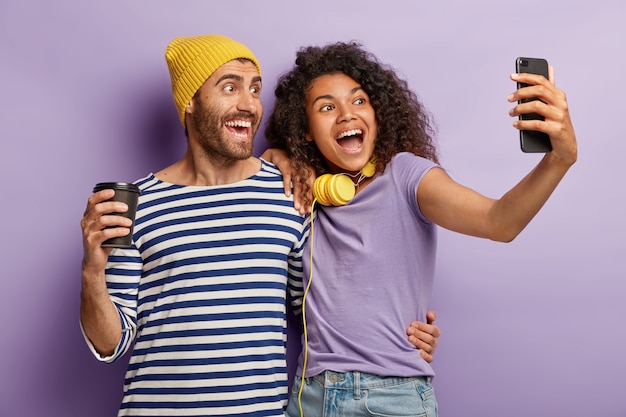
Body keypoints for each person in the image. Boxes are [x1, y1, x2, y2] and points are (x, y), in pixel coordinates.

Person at [79, 34, 441, 417]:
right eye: (230, 87)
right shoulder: (137, 203)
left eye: (255, 89)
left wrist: (404, 335)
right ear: (189, 102)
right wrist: (91, 270)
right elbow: (109, 345)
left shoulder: (290, 191)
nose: (249, 104)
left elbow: (321, 314)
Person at [264, 41, 577, 416]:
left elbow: (499, 222)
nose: (347, 114)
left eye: (359, 101)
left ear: (378, 112)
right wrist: (277, 157)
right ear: (306, 131)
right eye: (327, 107)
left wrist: (559, 159)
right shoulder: (305, 190)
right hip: (309, 395)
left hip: (389, 397)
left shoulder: (407, 176)